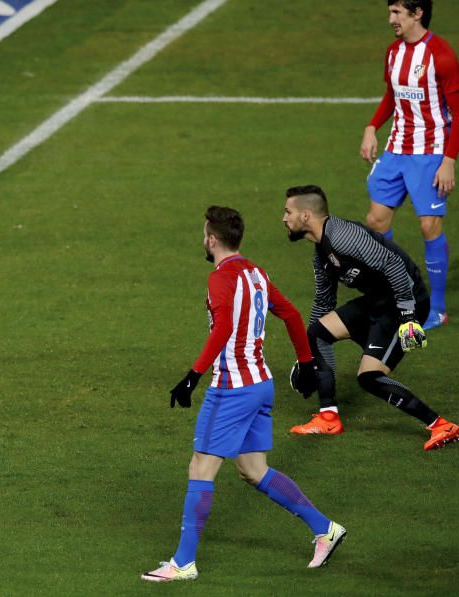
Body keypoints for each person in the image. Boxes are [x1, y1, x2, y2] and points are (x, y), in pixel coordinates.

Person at [142, 206, 345, 583]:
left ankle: (183, 563)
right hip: (260, 384)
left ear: (213, 240)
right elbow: (293, 315)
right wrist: (305, 363)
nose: (204, 239)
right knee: (253, 470)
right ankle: (325, 529)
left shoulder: (219, 279)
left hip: (232, 389)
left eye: (205, 234)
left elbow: (221, 330)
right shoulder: (256, 273)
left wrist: (191, 377)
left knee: (200, 467)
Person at [283, 185, 459, 450]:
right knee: (317, 333)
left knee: (369, 377)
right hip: (378, 302)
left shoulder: (344, 236)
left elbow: (394, 264)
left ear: (306, 215)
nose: (284, 218)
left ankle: (440, 425)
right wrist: (308, 360)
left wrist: (409, 317)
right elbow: (323, 302)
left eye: (288, 212)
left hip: (404, 303)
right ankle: (328, 417)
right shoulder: (321, 253)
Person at [360, 0, 459, 330]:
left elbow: (457, 114)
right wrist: (372, 127)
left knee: (429, 226)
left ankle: (438, 309)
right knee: (376, 220)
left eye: (397, 13)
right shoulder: (393, 52)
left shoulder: (441, 56)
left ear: (417, 14)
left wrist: (448, 161)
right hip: (396, 149)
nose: (390, 19)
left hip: (430, 152)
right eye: (390, 12)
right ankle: (395, 289)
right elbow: (392, 96)